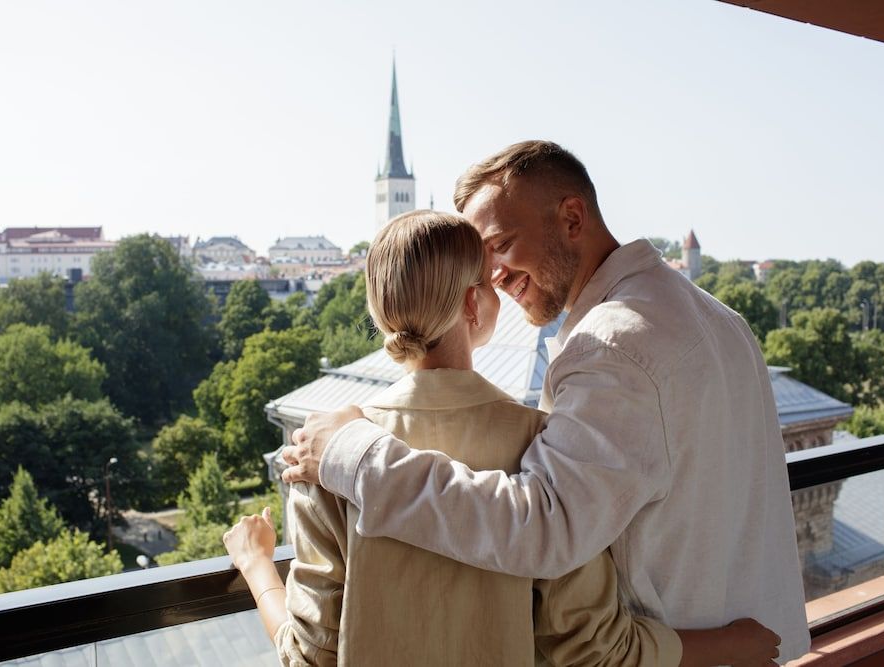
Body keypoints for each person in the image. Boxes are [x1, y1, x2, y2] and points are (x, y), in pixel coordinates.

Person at [281, 141, 811, 663]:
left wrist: (351, 455)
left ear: (572, 217)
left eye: (502, 244)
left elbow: (543, 529)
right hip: (746, 639)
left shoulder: (614, 344)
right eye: (481, 263)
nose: (494, 276)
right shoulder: (720, 318)